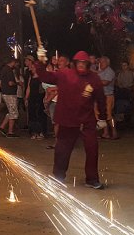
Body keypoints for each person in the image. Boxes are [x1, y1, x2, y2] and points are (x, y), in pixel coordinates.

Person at [35, 50, 107, 189]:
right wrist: (41, 62)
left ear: (88, 64)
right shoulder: (64, 74)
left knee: (92, 149)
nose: (81, 65)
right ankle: (58, 176)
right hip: (67, 120)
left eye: (83, 63)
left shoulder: (94, 78)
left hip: (87, 120)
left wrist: (103, 117)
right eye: (78, 62)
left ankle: (92, 179)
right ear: (74, 63)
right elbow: (45, 77)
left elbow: (101, 99)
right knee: (62, 149)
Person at [0, 57, 20, 137]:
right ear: (13, 62)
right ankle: (10, 132)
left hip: (5, 92)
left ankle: (2, 127)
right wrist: (18, 83)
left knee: (10, 111)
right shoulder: (9, 70)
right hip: (10, 93)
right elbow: (10, 83)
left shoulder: (3, 69)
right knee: (14, 113)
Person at [97, 57, 118, 139]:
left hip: (108, 95)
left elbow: (105, 82)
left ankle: (114, 132)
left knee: (109, 115)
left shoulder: (110, 71)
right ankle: (106, 133)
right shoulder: (100, 71)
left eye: (103, 62)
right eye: (100, 62)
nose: (101, 63)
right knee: (103, 115)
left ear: (107, 63)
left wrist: (95, 80)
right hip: (101, 95)